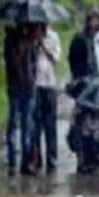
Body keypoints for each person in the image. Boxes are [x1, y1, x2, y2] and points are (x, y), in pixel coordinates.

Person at [66, 10, 99, 173]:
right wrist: (79, 79)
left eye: (97, 20)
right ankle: (82, 158)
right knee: (82, 123)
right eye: (92, 20)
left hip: (98, 83)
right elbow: (73, 60)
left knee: (97, 122)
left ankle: (95, 155)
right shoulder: (80, 39)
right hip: (84, 84)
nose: (95, 23)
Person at [4, 25, 38, 175]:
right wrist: (23, 47)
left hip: (29, 88)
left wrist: (33, 80)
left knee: (28, 125)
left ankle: (26, 162)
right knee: (14, 123)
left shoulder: (31, 41)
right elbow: (12, 63)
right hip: (15, 87)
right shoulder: (10, 40)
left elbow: (34, 63)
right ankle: (12, 161)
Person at [32, 23, 62, 173]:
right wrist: (35, 44)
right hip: (35, 85)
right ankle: (36, 158)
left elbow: (56, 59)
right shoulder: (30, 36)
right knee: (35, 124)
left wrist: (43, 45)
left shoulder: (53, 36)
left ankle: (52, 157)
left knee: (50, 124)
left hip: (49, 84)